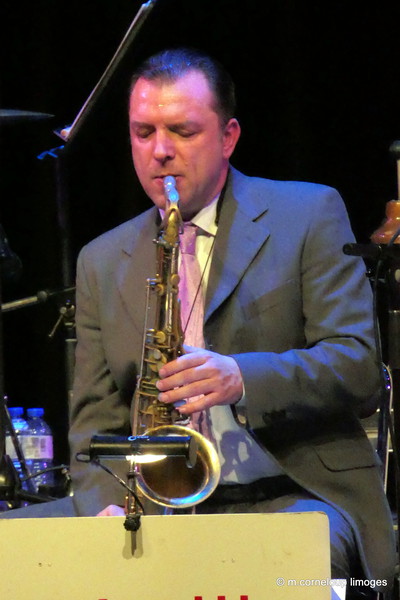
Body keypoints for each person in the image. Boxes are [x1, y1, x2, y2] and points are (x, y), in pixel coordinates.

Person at [3, 47, 396, 596]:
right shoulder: (101, 259)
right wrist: (104, 505)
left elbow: (357, 366)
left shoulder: (308, 213)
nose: (160, 151)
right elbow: (95, 427)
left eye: (182, 132)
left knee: (289, 568)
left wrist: (241, 376)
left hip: (293, 494)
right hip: (153, 506)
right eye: (143, 133)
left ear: (228, 137)